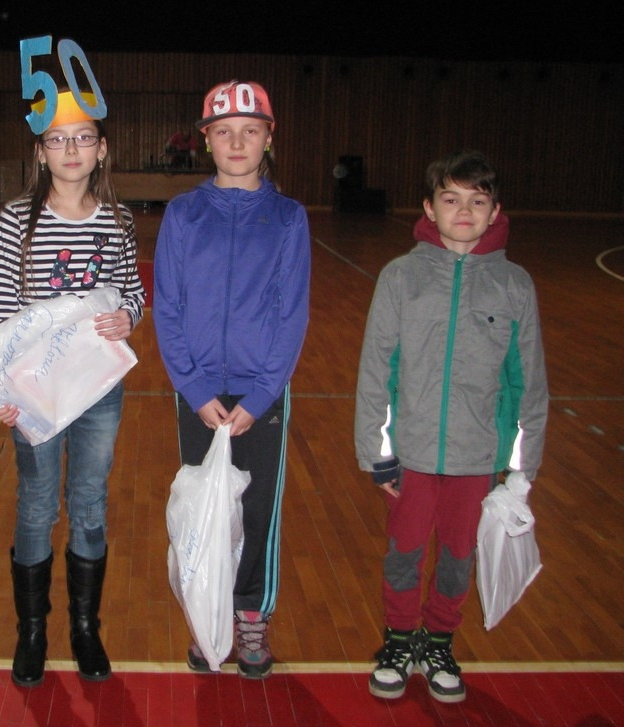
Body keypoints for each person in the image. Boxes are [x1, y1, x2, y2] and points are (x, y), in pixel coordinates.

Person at [355, 151, 548, 703]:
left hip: (478, 459)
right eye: (451, 199)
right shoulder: (401, 276)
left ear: (495, 212)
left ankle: (438, 640)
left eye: (477, 201)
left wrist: (519, 470)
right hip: (410, 455)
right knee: (404, 553)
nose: (464, 211)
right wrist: (378, 451)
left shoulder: (514, 285)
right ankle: (398, 640)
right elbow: (377, 368)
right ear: (429, 208)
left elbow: (527, 382)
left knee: (459, 559)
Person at [0, 89, 146, 687]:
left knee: (90, 502)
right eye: (57, 139)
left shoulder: (119, 221)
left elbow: (133, 291)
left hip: (98, 387)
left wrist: (128, 316)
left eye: (82, 138)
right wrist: (0, 387)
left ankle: (84, 628)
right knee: (36, 503)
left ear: (101, 150)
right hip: (36, 390)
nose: (70, 149)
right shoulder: (16, 220)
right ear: (40, 152)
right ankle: (32, 631)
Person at [153, 80, 311, 679]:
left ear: (269, 138)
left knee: (258, 509)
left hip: (260, 395)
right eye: (224, 131)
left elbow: (291, 313)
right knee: (205, 510)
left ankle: (249, 616)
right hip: (199, 395)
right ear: (206, 141)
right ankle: (206, 612)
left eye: (250, 130)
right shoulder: (184, 214)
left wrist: (265, 393)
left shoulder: (288, 219)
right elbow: (168, 308)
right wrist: (193, 389)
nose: (237, 142)